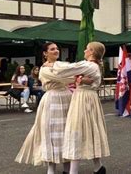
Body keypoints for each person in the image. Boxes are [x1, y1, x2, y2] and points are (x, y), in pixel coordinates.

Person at [51, 42, 109, 174]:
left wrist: (51, 64)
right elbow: (74, 72)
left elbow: (67, 69)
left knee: (75, 131)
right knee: (89, 130)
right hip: (87, 97)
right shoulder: (94, 66)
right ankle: (98, 167)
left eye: (87, 49)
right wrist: (78, 79)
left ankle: (74, 171)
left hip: (83, 98)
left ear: (92, 52)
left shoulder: (88, 65)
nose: (84, 51)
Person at [16, 42, 72, 174]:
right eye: (52, 49)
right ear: (45, 53)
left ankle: (67, 167)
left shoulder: (62, 65)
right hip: (52, 100)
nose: (56, 51)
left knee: (68, 131)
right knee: (51, 132)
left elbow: (70, 76)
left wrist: (71, 76)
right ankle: (51, 168)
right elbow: (65, 77)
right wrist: (70, 76)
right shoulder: (44, 69)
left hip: (67, 99)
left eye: (57, 49)